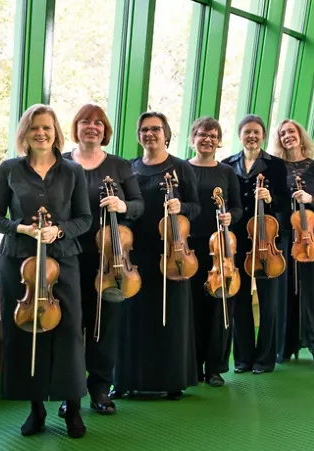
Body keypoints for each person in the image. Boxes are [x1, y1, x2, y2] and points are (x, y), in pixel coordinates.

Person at [0, 104, 92, 438]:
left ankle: (73, 409)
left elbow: (84, 219)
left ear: (55, 132)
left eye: (46, 128)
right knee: (25, 331)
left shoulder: (73, 171)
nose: (41, 134)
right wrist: (23, 229)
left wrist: (57, 231)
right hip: (20, 263)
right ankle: (36, 411)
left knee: (69, 333)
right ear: (25, 134)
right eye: (34, 129)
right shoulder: (9, 169)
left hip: (63, 261)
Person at [60, 104, 144, 417]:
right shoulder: (62, 163)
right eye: (85, 121)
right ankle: (71, 392)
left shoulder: (120, 166)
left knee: (103, 327)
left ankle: (99, 388)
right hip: (69, 256)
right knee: (71, 327)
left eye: (98, 123)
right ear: (76, 127)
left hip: (111, 260)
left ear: (105, 130)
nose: (92, 127)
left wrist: (121, 205)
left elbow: (138, 204)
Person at [113, 112, 200, 399]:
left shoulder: (181, 167)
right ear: (139, 135)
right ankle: (124, 380)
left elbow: (196, 207)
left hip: (173, 250)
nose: (150, 134)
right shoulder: (129, 167)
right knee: (131, 316)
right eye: (145, 129)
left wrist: (181, 208)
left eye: (156, 129)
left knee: (171, 317)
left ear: (167, 134)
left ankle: (172, 379)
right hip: (135, 252)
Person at [223, 115, 291, 373]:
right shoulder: (228, 164)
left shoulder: (275, 165)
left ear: (263, 136)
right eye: (247, 132)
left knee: (268, 300)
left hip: (267, 238)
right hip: (238, 237)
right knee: (239, 297)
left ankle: (265, 359)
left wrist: (270, 198)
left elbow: (286, 203)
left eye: (257, 132)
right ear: (240, 135)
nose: (252, 136)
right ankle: (242, 358)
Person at [272, 118, 314, 370]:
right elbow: (272, 203)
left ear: (300, 135)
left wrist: (309, 198)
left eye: (291, 132)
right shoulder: (275, 167)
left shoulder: (313, 167)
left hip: (310, 235)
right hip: (285, 234)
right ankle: (285, 346)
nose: (288, 136)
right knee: (286, 290)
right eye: (283, 133)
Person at [187, 117, 242, 386]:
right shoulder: (182, 169)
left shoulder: (227, 171)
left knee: (220, 306)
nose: (207, 139)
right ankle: (192, 365)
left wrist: (230, 216)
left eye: (213, 135)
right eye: (202, 134)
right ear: (192, 138)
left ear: (219, 141)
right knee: (192, 308)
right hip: (189, 246)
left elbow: (238, 208)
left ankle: (215, 367)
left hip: (221, 248)